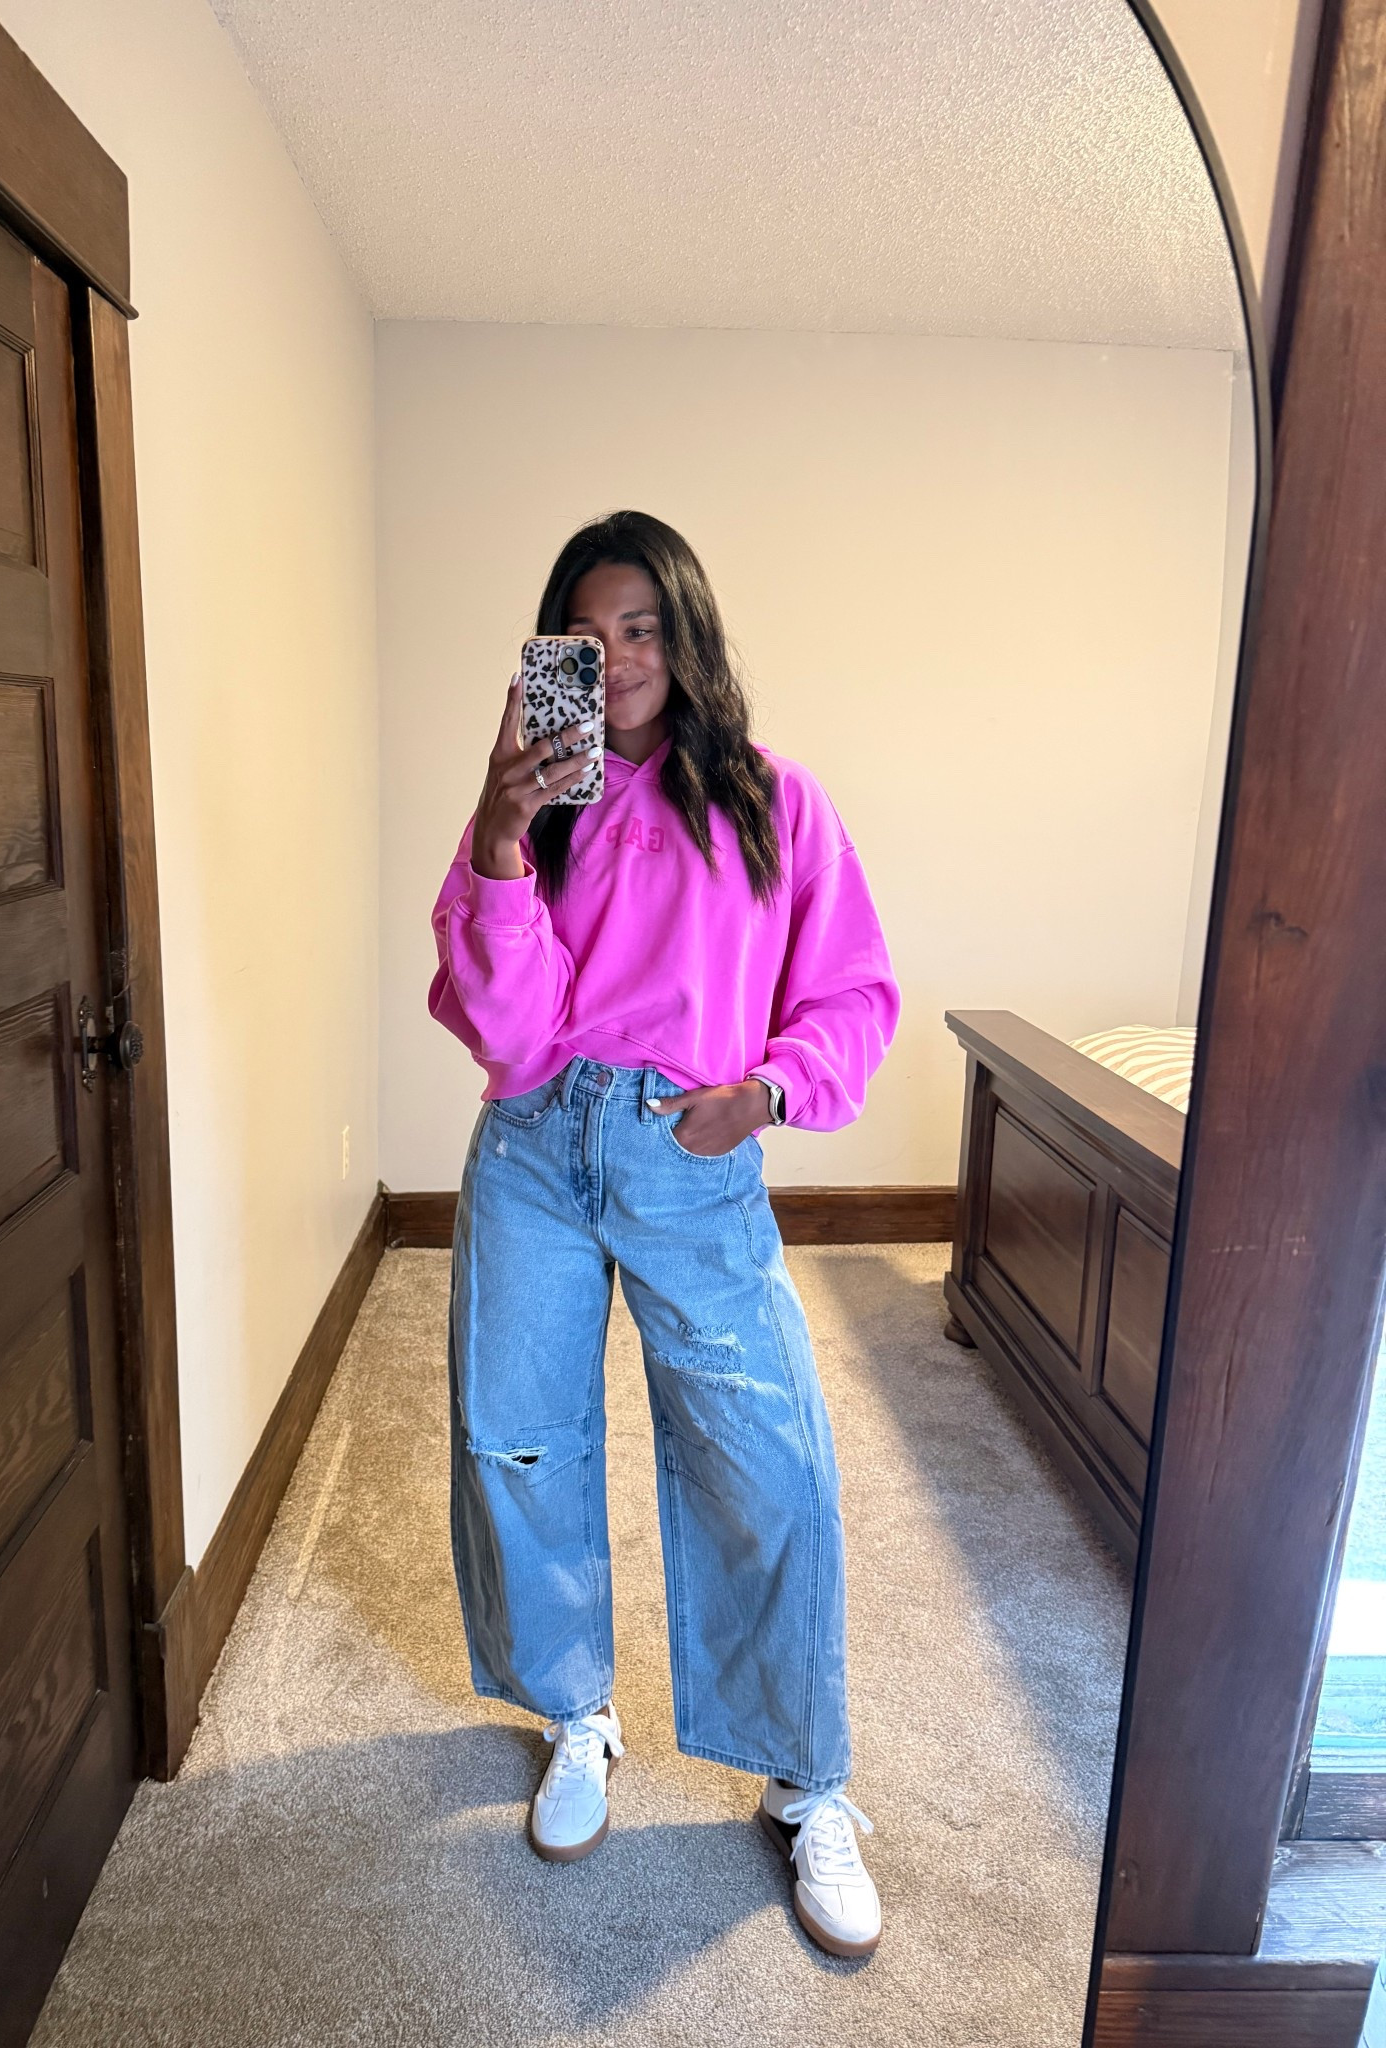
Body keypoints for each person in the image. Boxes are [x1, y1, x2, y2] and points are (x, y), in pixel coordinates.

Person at [427, 510, 900, 1958]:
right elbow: (505, 1032)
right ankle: (576, 1713)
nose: (619, 658)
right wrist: (500, 835)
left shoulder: (773, 802)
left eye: (642, 628)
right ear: (553, 656)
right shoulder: (534, 808)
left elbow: (852, 991)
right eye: (587, 636)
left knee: (769, 1457)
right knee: (519, 1436)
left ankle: (806, 1781)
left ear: (686, 636)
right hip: (535, 1148)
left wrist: (768, 1093)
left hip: (689, 1153)